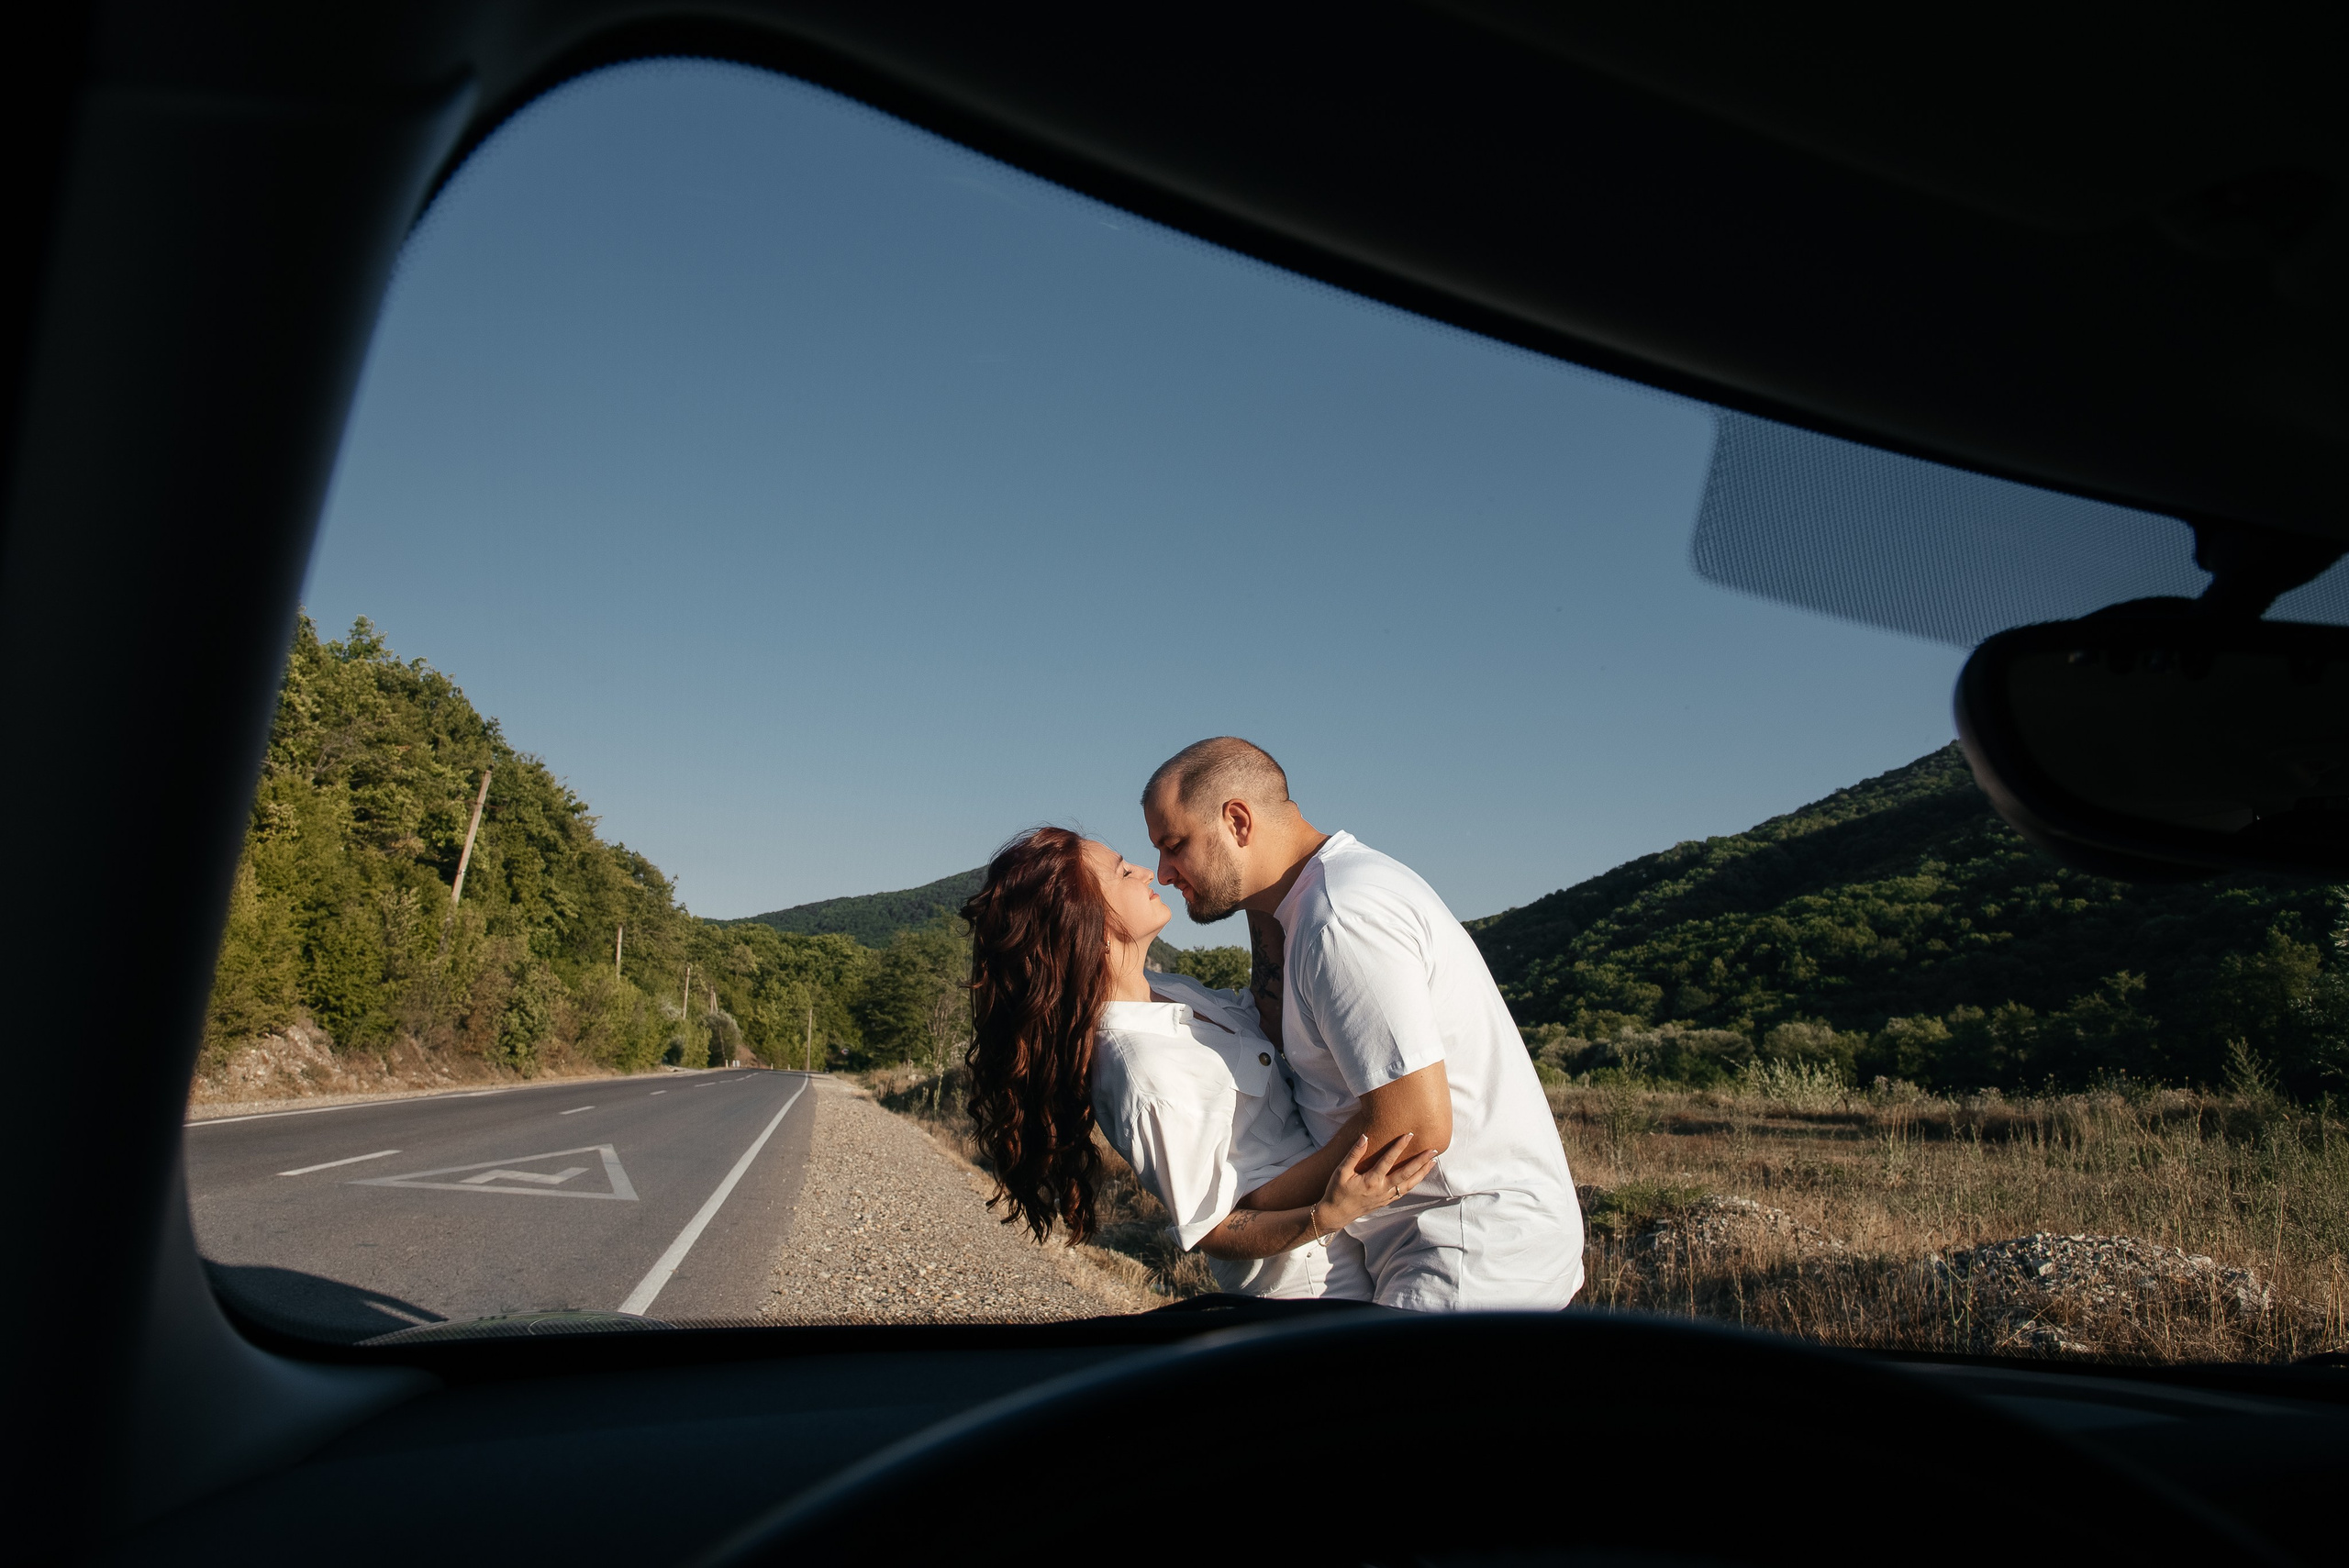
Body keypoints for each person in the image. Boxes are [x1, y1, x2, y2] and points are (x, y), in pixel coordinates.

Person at [1143, 737, 1585, 1311]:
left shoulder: (1342, 919)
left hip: (1470, 1251)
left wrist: (1254, 1203)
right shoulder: (1309, 905)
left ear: (1237, 821)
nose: (1163, 871)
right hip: (1435, 1243)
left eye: (1174, 845)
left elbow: (1417, 1124)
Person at [959, 825, 1434, 1296]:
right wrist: (1326, 1214)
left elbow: (1266, 1016)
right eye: (1123, 871)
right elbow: (1214, 1228)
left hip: (1361, 1246)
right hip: (1304, 1284)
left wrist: (1255, 885)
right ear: (1091, 926)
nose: (1147, 873)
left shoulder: (1170, 992)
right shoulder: (1140, 1070)